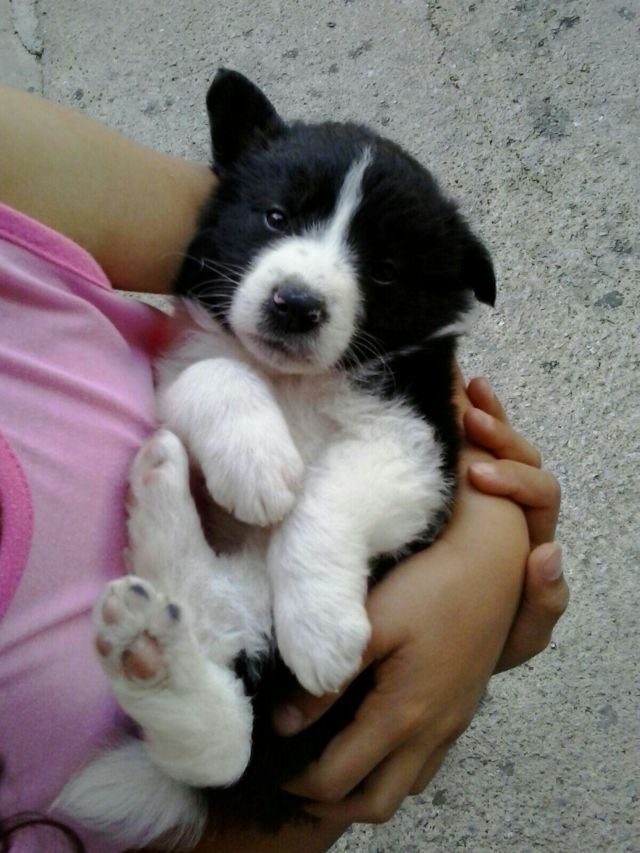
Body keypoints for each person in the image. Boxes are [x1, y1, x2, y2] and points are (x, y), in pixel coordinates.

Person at [0, 85, 568, 853]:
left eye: (380, 269)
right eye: (278, 218)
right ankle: (203, 735)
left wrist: (480, 555)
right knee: (204, 472)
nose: (308, 285)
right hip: (231, 650)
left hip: (303, 622)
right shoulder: (209, 345)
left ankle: (200, 717)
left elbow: (409, 460)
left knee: (224, 598)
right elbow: (192, 383)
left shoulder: (393, 367)